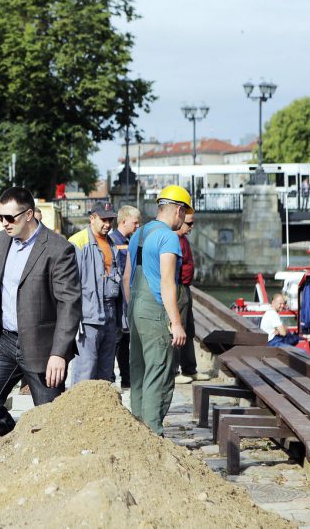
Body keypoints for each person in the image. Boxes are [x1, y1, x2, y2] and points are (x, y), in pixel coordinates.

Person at [0, 187, 81, 438]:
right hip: (6, 341)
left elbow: (69, 304)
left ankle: (49, 464)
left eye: (10, 218)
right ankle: (13, 445)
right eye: (0, 217)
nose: (4, 223)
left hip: (43, 347)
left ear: (29, 214)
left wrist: (59, 353)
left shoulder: (58, 249)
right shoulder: (2, 241)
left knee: (49, 418)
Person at [122, 185, 191, 436]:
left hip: (136, 307)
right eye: (185, 215)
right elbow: (167, 282)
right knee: (158, 371)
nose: (184, 221)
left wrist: (132, 310)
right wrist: (176, 322)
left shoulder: (139, 233)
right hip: (155, 310)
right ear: (179, 211)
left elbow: (127, 276)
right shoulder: (169, 238)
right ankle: (153, 433)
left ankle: (137, 430)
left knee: (138, 371)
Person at [69, 201, 122, 383]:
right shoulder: (78, 242)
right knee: (86, 368)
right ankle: (77, 409)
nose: (108, 224)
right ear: (92, 218)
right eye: (104, 219)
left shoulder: (112, 244)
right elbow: (69, 285)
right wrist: (74, 319)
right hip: (88, 317)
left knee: (105, 371)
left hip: (109, 314)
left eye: (111, 220)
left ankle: (100, 411)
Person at [174, 212, 210, 383]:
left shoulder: (183, 239)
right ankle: (173, 372)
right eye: (189, 223)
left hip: (185, 287)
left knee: (188, 330)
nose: (191, 227)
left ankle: (189, 369)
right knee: (176, 329)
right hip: (178, 286)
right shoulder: (173, 239)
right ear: (179, 221)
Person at [110, 205, 140, 389]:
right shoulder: (115, 241)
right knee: (116, 341)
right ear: (124, 221)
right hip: (118, 301)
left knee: (123, 342)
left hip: (123, 301)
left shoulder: (126, 241)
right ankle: (113, 379)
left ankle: (126, 379)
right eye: (135, 222)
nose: (137, 226)